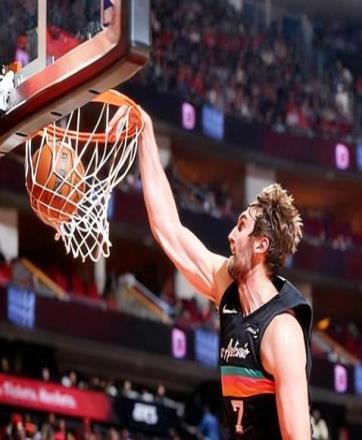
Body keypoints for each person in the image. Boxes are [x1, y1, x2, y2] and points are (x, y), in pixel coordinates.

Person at [108, 108, 312, 439]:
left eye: (241, 226)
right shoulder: (226, 285)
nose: (231, 236)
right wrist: (146, 132)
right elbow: (168, 228)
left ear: (261, 245)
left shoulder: (282, 332)